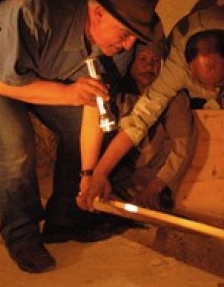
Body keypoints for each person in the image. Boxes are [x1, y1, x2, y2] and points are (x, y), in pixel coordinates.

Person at [0, 0, 164, 273]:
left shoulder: (117, 52)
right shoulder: (39, 9)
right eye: (126, 34)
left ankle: (64, 220)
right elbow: (0, 83)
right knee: (14, 138)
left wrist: (90, 175)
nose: (130, 45)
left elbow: (91, 106)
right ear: (99, 14)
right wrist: (67, 93)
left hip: (38, 68)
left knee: (79, 129)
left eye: (135, 38)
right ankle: (22, 235)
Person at [78, 5, 224, 211]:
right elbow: (139, 120)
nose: (212, 92)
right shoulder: (173, 71)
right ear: (188, 68)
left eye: (216, 82)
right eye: (143, 59)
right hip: (134, 174)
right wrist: (98, 173)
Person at [78, 41, 196, 212]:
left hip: (152, 180)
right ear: (131, 63)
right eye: (143, 58)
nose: (149, 65)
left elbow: (182, 146)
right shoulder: (117, 92)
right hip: (113, 175)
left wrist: (155, 188)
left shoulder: (175, 99)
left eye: (156, 61)